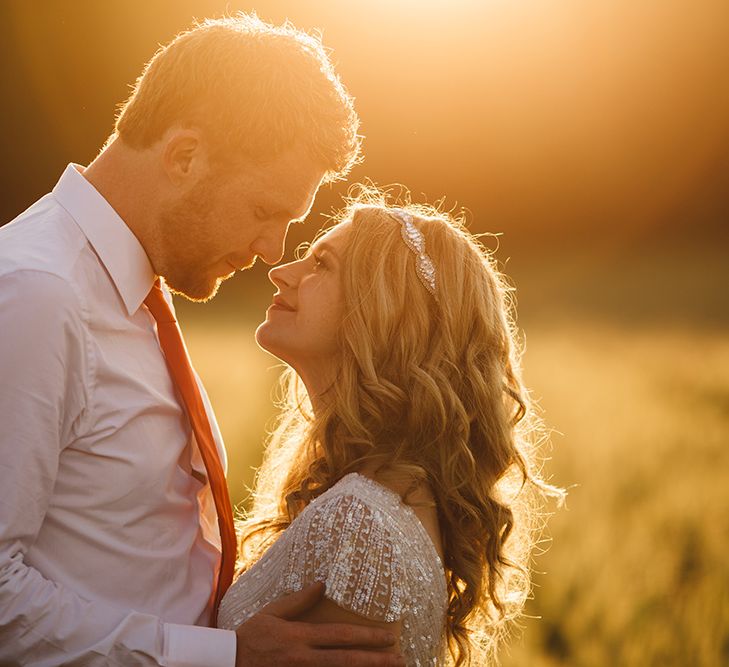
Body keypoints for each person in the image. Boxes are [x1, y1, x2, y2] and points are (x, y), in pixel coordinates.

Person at [0, 13, 405, 667]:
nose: (272, 250)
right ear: (184, 157)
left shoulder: (130, 290)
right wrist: (219, 656)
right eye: (263, 211)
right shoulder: (36, 295)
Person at [218, 192, 564, 665]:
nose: (282, 272)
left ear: (382, 311)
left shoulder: (361, 524)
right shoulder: (381, 499)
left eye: (321, 264)